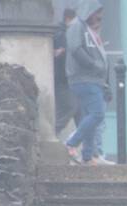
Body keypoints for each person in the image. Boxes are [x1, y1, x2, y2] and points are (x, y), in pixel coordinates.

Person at [63, 1, 114, 166]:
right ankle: (72, 141)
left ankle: (88, 156)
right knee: (97, 114)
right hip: (84, 79)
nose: (99, 17)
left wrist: (104, 83)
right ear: (88, 11)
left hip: (94, 80)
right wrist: (93, 64)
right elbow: (76, 49)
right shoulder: (77, 27)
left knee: (90, 116)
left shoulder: (89, 30)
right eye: (96, 12)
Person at [52, 7, 77, 137]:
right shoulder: (61, 34)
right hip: (62, 79)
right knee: (69, 107)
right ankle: (53, 133)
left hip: (66, 79)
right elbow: (59, 55)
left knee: (77, 109)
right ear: (68, 18)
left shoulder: (64, 33)